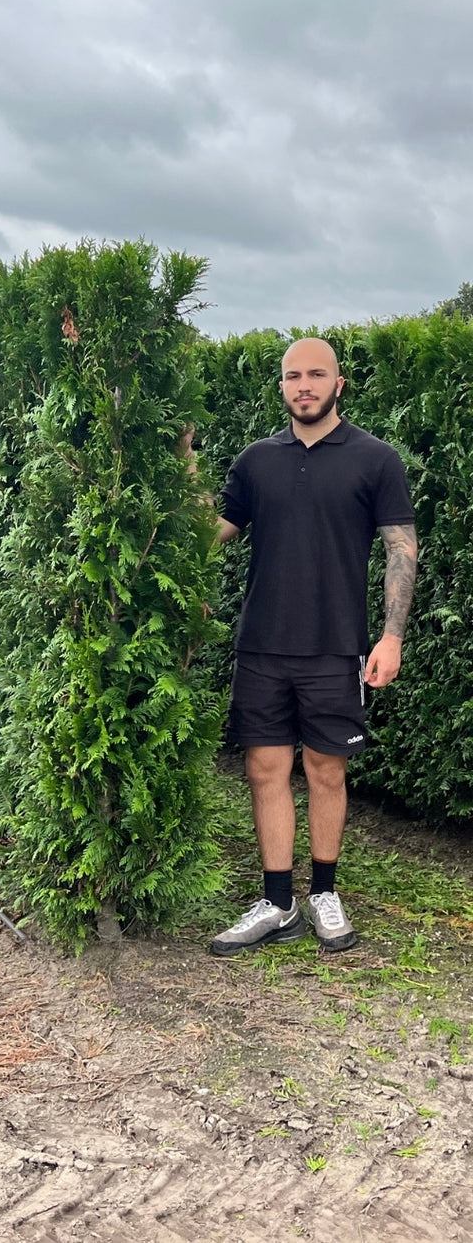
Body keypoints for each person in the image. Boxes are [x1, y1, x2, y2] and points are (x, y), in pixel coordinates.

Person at [200, 338, 417, 955]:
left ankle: (324, 891)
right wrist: (185, 477)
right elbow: (213, 533)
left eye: (316, 374)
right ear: (282, 387)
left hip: (335, 648)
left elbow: (402, 548)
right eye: (293, 376)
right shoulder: (255, 461)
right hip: (262, 646)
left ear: (338, 384)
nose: (304, 385)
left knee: (326, 770)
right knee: (264, 770)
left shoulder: (376, 459)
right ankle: (277, 902)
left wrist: (391, 636)